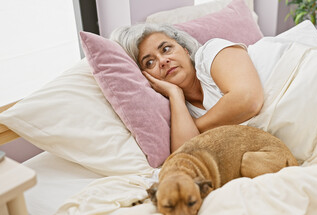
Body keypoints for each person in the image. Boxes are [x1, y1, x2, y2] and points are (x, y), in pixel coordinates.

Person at [111, 23, 264, 152]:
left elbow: (249, 99)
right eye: (149, 63)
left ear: (185, 50)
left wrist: (195, 128)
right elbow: (184, 153)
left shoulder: (210, 53)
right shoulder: (181, 112)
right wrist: (175, 94)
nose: (163, 61)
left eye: (166, 49)